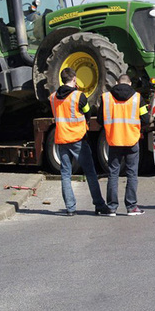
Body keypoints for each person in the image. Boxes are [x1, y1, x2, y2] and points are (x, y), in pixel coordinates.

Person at [49, 68, 110, 217]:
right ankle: (99, 205)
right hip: (78, 140)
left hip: (61, 139)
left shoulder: (52, 97)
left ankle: (70, 208)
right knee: (90, 172)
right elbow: (88, 112)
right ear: (74, 79)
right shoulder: (79, 96)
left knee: (65, 174)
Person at [97, 74, 150, 216]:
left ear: (116, 83)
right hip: (132, 140)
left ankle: (112, 207)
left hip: (114, 140)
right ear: (130, 83)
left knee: (113, 173)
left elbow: (100, 120)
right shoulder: (137, 98)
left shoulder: (106, 98)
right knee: (132, 173)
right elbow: (146, 119)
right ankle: (131, 207)